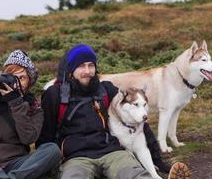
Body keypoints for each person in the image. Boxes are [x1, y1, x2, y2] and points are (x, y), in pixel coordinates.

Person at [36, 44, 190, 179]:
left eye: (91, 65)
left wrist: (159, 162)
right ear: (71, 69)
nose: (87, 71)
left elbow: (137, 118)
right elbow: (46, 136)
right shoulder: (55, 95)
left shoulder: (106, 89)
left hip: (111, 152)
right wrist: (49, 166)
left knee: (136, 175)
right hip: (76, 158)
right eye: (81, 66)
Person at [0, 50, 61, 179]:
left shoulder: (33, 106)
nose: (16, 82)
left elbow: (28, 138)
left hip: (16, 162)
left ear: (30, 81)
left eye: (21, 78)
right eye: (12, 76)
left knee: (52, 150)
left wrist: (15, 102)